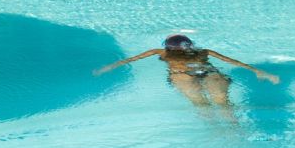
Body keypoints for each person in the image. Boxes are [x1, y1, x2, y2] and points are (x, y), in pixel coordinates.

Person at [95, 33, 278, 112]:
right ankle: (235, 132)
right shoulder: (204, 52)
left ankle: (216, 131)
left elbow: (130, 60)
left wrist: (108, 67)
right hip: (210, 73)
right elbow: (232, 62)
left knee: (201, 104)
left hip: (182, 76)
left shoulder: (161, 52)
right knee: (224, 105)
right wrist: (259, 71)